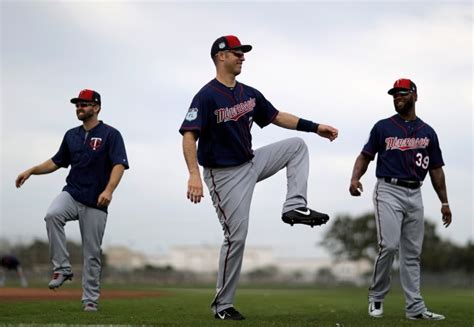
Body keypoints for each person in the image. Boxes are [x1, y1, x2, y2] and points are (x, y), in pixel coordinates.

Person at [179, 35, 338, 320]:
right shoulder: (206, 95)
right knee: (236, 237)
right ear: (221, 57)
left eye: (243, 53)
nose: (242, 57)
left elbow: (276, 116)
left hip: (250, 162)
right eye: (236, 52)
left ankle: (294, 206)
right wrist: (193, 174)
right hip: (223, 176)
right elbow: (189, 134)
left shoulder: (248, 93)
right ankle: (222, 306)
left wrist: (315, 127)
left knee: (296, 147)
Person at [15, 89, 129, 312]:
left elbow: (119, 164)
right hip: (73, 192)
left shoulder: (111, 134)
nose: (79, 108)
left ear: (96, 108)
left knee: (92, 254)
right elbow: (56, 161)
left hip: (97, 200)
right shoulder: (71, 135)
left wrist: (109, 190)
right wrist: (31, 170)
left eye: (84, 104)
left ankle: (90, 300)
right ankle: (62, 268)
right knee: (52, 215)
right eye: (77, 104)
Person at [349, 78, 452, 321]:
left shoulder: (428, 132)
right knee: (389, 245)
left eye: (403, 93)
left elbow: (436, 169)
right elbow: (365, 156)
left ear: (415, 96)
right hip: (388, 190)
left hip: (415, 191)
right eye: (395, 94)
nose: (398, 97)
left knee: (412, 253)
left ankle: (415, 308)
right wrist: (354, 178)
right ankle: (376, 296)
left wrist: (445, 202)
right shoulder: (383, 127)